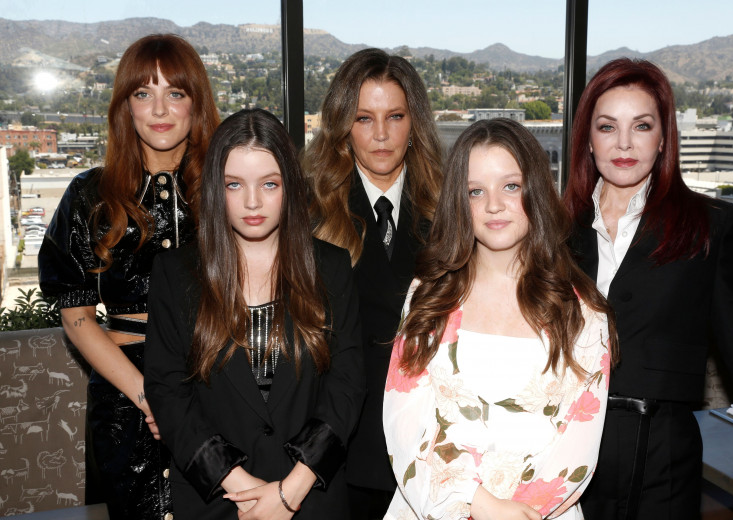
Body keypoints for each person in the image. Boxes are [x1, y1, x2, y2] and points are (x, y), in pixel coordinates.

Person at [563, 57, 733, 520]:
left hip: (662, 451)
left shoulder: (707, 225)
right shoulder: (555, 226)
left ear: (664, 139)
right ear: (588, 138)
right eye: (607, 127)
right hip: (563, 447)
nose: (624, 143)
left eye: (641, 126)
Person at [383, 118, 617, 520]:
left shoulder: (583, 315)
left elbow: (577, 447)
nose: (494, 204)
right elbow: (404, 424)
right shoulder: (428, 295)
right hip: (430, 508)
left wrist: (513, 513)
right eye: (476, 191)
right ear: (460, 201)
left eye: (510, 185)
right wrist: (476, 503)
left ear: (537, 190)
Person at [143, 108, 365, 519]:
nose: (252, 202)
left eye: (269, 183)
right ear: (215, 189)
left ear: (291, 188)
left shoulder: (332, 268)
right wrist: (244, 488)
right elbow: (168, 392)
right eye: (234, 184)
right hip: (217, 502)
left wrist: (290, 492)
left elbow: (347, 387)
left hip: (312, 500)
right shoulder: (175, 274)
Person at [37, 34, 219, 519]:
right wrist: (147, 396)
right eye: (143, 93)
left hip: (217, 388)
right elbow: (76, 316)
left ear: (196, 103)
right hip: (123, 403)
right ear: (126, 106)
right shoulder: (88, 193)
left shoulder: (228, 189)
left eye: (175, 93)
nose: (160, 108)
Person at [303, 47, 443, 519]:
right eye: (364, 118)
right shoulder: (309, 212)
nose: (381, 135)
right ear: (343, 126)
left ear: (415, 122)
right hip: (340, 446)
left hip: (433, 443)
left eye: (395, 116)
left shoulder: (449, 210)